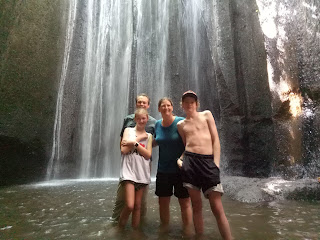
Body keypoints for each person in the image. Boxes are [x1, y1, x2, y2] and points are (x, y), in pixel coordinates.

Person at [177, 90, 232, 239]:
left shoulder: (206, 115)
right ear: (182, 105)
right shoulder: (181, 125)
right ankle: (200, 237)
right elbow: (186, 144)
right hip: (190, 164)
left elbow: (216, 140)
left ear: (196, 104)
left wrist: (216, 164)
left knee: (216, 206)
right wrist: (180, 159)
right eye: (186, 102)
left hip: (208, 162)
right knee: (196, 205)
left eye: (192, 102)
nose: (189, 104)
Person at [111, 93, 156, 222]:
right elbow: (123, 141)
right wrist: (126, 149)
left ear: (148, 105)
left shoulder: (154, 122)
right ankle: (116, 222)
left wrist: (142, 143)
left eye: (144, 102)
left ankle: (139, 225)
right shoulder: (128, 120)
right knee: (122, 198)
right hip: (129, 163)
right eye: (139, 102)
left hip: (144, 163)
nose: (142, 104)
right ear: (136, 103)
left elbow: (155, 141)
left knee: (140, 201)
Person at [153, 97, 193, 236]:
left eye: (168, 105)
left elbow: (190, 143)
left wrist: (182, 159)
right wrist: (134, 143)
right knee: (163, 202)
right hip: (163, 169)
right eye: (163, 106)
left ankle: (187, 229)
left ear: (172, 107)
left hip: (181, 169)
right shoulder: (157, 124)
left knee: (184, 202)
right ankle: (164, 228)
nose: (166, 108)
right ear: (159, 109)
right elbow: (154, 141)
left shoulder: (180, 122)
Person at [117, 108, 153, 229]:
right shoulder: (128, 130)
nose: (141, 121)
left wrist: (134, 144)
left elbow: (148, 155)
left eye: (144, 118)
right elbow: (123, 150)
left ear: (147, 119)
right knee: (130, 205)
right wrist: (137, 139)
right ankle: (120, 228)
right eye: (139, 118)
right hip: (128, 173)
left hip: (142, 173)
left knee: (137, 206)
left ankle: (135, 232)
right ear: (135, 119)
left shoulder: (149, 136)